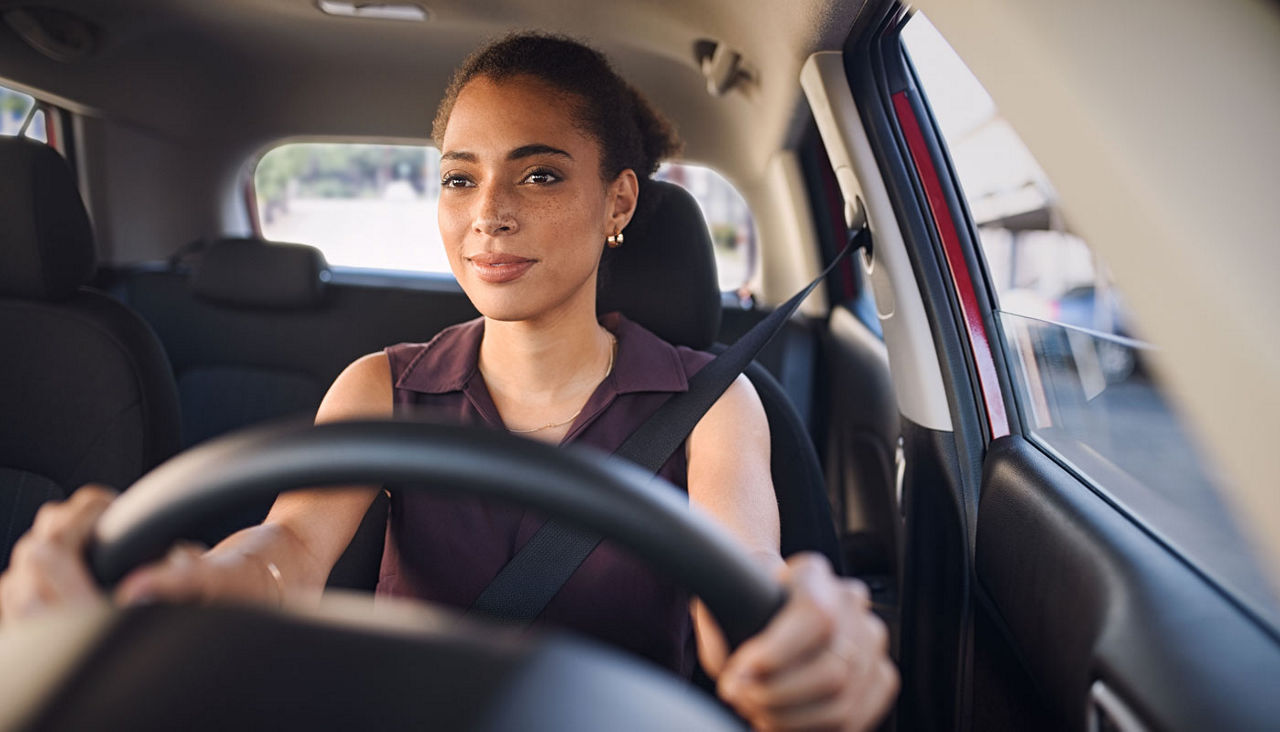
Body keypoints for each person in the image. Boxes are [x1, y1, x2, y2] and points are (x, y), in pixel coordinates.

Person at [0, 32, 897, 731]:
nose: (489, 216)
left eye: (539, 174)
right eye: (459, 179)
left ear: (618, 201)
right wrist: (187, 588)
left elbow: (739, 577)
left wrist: (798, 640)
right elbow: (288, 551)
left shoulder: (711, 403)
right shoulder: (377, 386)